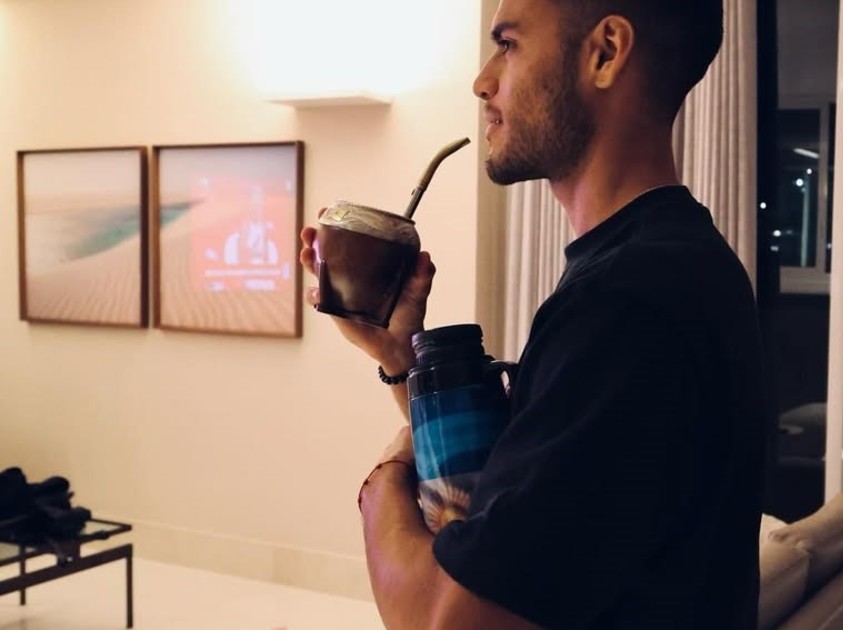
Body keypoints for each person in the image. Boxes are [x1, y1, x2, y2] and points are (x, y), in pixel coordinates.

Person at [299, 0, 766, 628]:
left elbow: (446, 620)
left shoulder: (628, 304)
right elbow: (507, 488)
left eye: (508, 44)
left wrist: (383, 477)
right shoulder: (665, 264)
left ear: (605, 53)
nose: (482, 81)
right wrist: (399, 358)